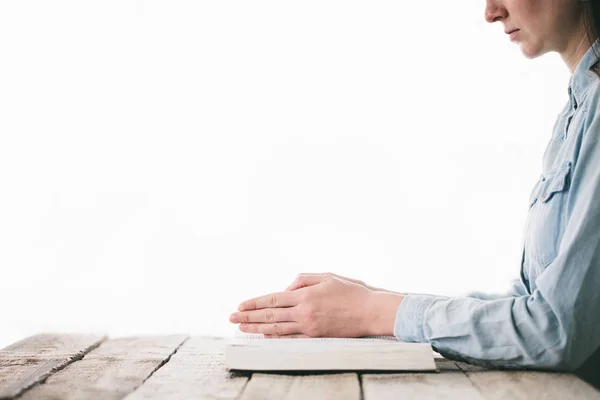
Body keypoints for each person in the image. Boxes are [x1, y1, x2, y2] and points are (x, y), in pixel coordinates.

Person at [229, 0, 600, 388]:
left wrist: (377, 313)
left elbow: (556, 330)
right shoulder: (578, 109)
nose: (491, 12)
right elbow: (528, 302)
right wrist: (372, 301)